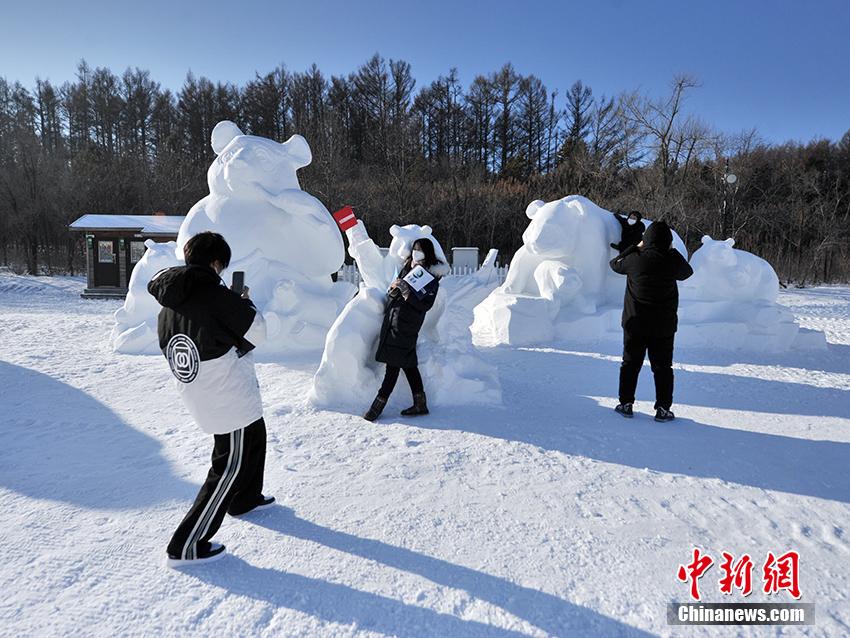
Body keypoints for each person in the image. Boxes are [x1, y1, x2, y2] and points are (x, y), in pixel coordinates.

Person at [147, 231, 274, 567]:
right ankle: (187, 543)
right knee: (228, 463)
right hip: (225, 390)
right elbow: (258, 331)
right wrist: (242, 303)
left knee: (255, 435)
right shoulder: (214, 295)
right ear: (216, 262)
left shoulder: (171, 302)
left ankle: (245, 498)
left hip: (201, 386)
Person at [609, 220, 693, 422]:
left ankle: (626, 404)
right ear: (668, 242)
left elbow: (615, 264)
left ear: (645, 239)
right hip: (663, 326)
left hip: (634, 323)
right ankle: (663, 409)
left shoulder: (635, 259)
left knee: (630, 364)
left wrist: (634, 247)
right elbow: (687, 272)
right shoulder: (671, 261)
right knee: (663, 368)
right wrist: (671, 251)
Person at [363, 238, 449, 421]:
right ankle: (420, 403)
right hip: (394, 320)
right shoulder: (408, 269)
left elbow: (425, 305)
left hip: (407, 325)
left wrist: (407, 292)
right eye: (414, 249)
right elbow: (395, 293)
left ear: (427, 253)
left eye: (420, 250)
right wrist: (394, 288)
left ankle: (377, 407)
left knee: (392, 367)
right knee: (409, 365)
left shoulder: (431, 277)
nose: (416, 253)